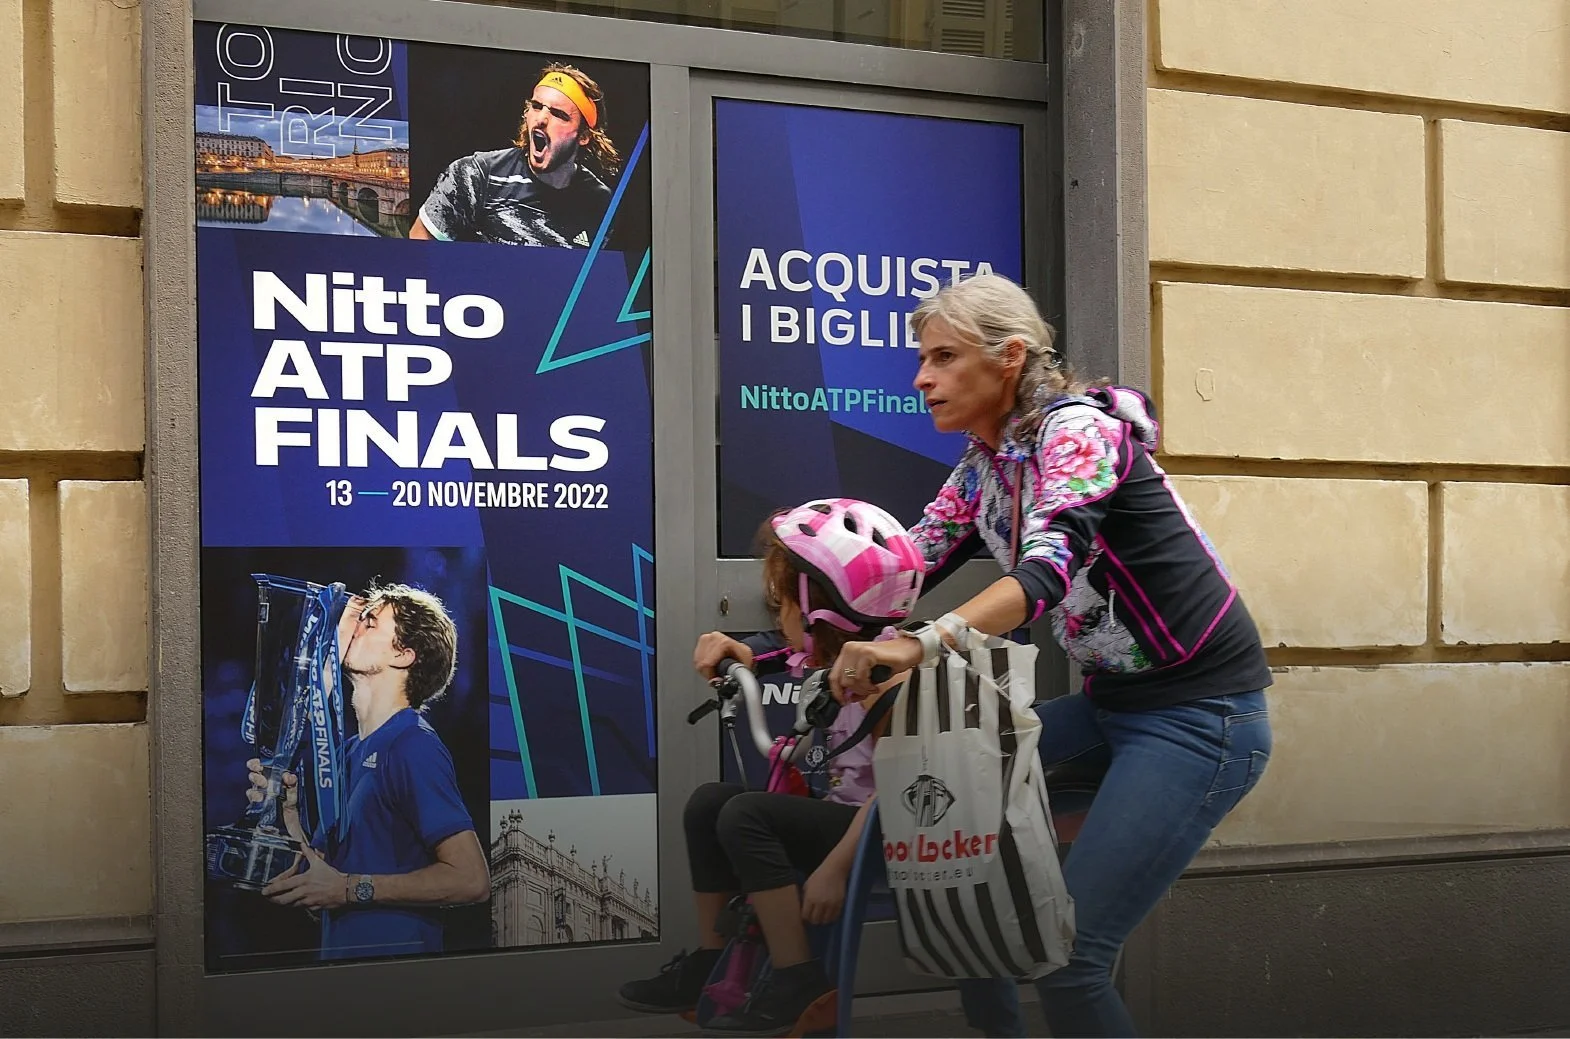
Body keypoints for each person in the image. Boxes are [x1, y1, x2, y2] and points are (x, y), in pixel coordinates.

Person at [789, 272, 1274, 1037]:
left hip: (1201, 718)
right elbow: (898, 571)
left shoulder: (1076, 432)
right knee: (964, 873)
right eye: (922, 358)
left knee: (1072, 958)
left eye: (943, 357)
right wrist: (776, 633)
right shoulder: (986, 462)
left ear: (1008, 357)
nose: (921, 377)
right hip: (1114, 704)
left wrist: (917, 645)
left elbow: (1046, 571)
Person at [616, 498, 928, 1036]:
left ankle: (797, 974)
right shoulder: (834, 656)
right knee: (708, 802)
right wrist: (740, 653)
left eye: (779, 598)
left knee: (747, 814)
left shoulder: (888, 678)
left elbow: (900, 789)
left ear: (815, 610)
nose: (773, 608)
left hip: (887, 831)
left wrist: (833, 869)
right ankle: (713, 961)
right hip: (847, 818)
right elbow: (775, 655)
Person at [246, 581, 490, 961]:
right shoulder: (348, 751)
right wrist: (286, 818)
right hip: (346, 977)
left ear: (404, 656)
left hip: (400, 986)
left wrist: (348, 889)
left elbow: (472, 880)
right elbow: (325, 882)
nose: (351, 626)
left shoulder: (412, 745)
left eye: (369, 622)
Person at [410, 63, 619, 247]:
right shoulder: (476, 174)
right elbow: (417, 254)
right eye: (536, 107)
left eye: (558, 114)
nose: (541, 119)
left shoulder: (600, 201)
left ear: (583, 135)